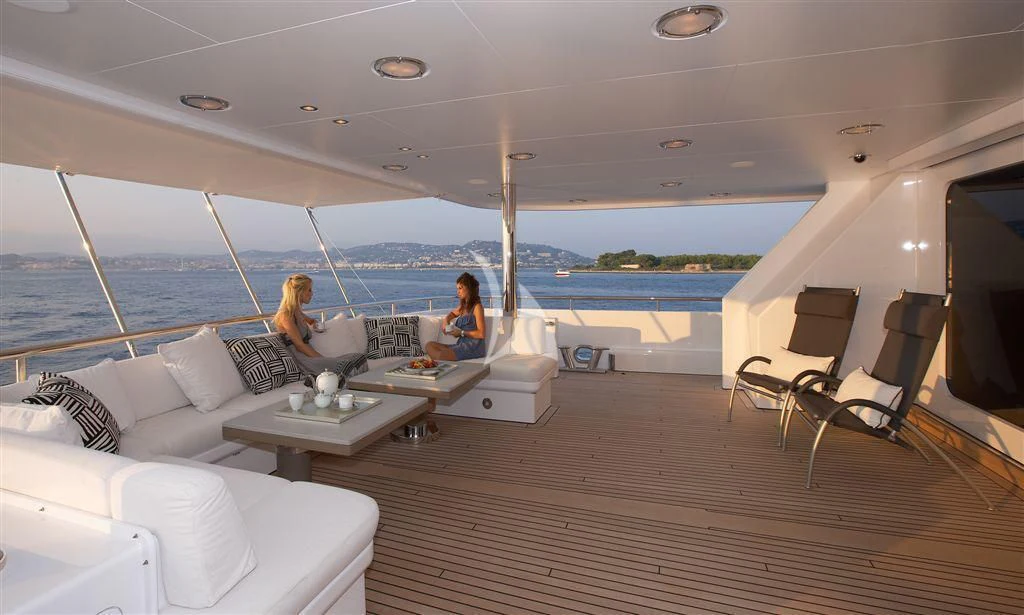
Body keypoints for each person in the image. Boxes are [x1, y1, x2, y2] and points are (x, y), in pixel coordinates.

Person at [273, 273, 367, 380]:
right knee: (348, 366)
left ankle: (360, 388)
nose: (312, 293)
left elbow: (310, 320)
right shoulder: (286, 315)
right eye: (309, 290)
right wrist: (322, 359)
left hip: (312, 357)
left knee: (359, 358)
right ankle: (348, 388)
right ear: (299, 292)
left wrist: (314, 324)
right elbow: (299, 345)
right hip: (305, 361)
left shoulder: (297, 312)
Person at [426, 272, 486, 361]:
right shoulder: (463, 307)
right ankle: (438, 362)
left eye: (460, 288)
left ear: (469, 289)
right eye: (457, 289)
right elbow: (452, 314)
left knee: (439, 355)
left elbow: (481, 334)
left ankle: (436, 363)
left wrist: (461, 333)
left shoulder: (477, 307)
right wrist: (446, 321)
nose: (458, 291)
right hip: (460, 346)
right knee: (429, 345)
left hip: (472, 348)